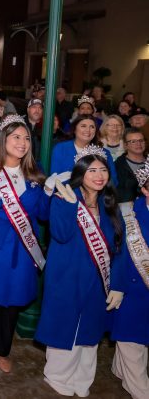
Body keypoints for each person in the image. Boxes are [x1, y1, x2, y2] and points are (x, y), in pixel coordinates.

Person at [36, 146, 125, 397]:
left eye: (103, 169)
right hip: (66, 277)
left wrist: (117, 284)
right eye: (92, 170)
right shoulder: (65, 196)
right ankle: (57, 376)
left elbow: (119, 248)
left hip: (97, 280)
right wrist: (68, 206)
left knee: (90, 331)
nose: (99, 175)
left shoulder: (110, 206)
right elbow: (61, 235)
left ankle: (82, 380)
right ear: (81, 173)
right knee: (65, 327)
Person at [0, 115, 51, 373]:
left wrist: (48, 194)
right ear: (4, 140)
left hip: (23, 250)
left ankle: (4, 350)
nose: (22, 142)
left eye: (26, 138)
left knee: (13, 302)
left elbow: (43, 215)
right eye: (16, 137)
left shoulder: (35, 175)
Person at [111, 159, 149, 399]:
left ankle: (118, 369)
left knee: (141, 341)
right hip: (133, 290)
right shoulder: (130, 217)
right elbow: (121, 255)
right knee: (131, 340)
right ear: (145, 189)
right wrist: (117, 286)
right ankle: (142, 392)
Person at [50, 115, 118, 185]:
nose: (88, 130)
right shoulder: (61, 148)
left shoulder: (104, 153)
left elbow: (113, 181)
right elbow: (55, 177)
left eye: (92, 127)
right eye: (83, 126)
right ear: (74, 129)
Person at [115, 128, 147, 204]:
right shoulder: (117, 166)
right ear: (126, 145)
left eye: (141, 140)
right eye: (133, 141)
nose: (138, 144)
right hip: (128, 211)